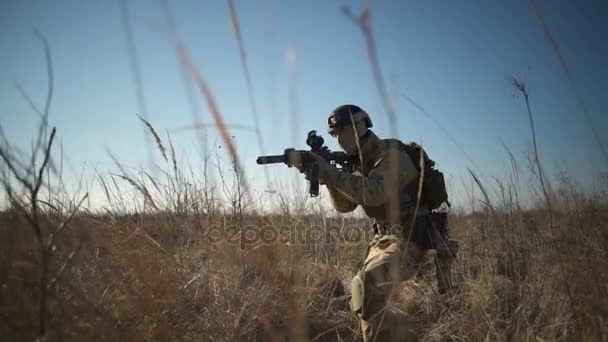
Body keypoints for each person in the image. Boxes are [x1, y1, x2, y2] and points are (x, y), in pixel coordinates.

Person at [291, 104, 458, 342]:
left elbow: (373, 193)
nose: (337, 138)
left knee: (366, 285)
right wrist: (328, 179)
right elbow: (345, 206)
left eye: (341, 131)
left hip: (413, 240)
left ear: (359, 126)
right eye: (333, 134)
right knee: (361, 299)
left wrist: (329, 172)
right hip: (384, 240)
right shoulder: (359, 162)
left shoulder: (391, 155)